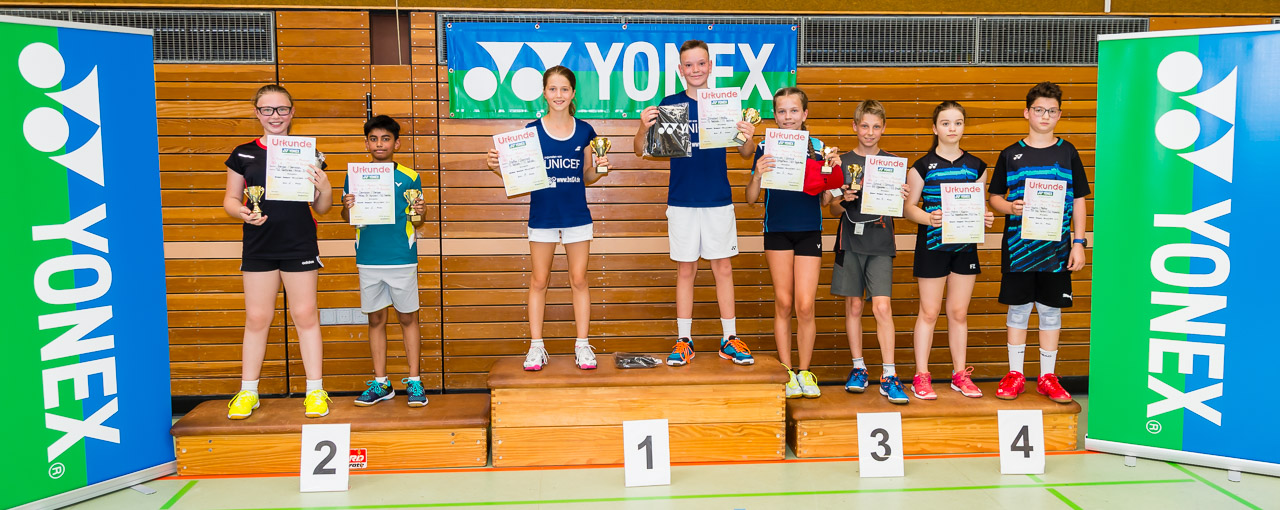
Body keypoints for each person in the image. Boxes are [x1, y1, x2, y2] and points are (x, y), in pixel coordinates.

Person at [633, 39, 757, 367]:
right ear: (680, 69)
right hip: (682, 199)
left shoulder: (724, 103)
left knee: (723, 268)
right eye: (689, 65)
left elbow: (745, 153)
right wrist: (642, 128)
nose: (696, 69)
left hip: (718, 198)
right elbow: (641, 150)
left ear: (710, 66)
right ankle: (684, 340)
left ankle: (729, 338)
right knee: (686, 269)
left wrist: (748, 135)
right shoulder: (670, 104)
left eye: (701, 63)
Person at [486, 66, 609, 371]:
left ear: (573, 93)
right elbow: (520, 179)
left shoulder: (586, 131)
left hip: (576, 216)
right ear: (544, 93)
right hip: (542, 216)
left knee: (579, 280)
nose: (558, 95)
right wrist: (498, 169)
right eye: (553, 89)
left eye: (564, 89)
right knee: (539, 280)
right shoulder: (530, 131)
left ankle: (582, 345)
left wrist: (600, 169)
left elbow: (587, 176)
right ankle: (536, 346)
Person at [221, 84, 333, 419]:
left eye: (282, 109)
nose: (275, 116)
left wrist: (325, 187)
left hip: (299, 243)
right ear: (257, 113)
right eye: (267, 109)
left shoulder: (310, 153)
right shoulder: (242, 154)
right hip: (259, 244)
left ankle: (315, 391)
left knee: (306, 314)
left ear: (292, 112)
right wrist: (242, 212)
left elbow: (322, 208)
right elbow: (230, 199)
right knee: (257, 318)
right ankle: (248, 391)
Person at [988, 82, 1090, 404]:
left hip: (1056, 251)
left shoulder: (1068, 152)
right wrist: (1010, 207)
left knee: (1050, 310)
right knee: (1018, 309)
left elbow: (1079, 200)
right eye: (1039, 110)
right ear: (1027, 112)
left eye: (1051, 110)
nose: (1045, 115)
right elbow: (994, 197)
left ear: (1059, 115)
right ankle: (1015, 374)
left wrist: (1078, 242)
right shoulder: (1010, 154)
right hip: (1018, 249)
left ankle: (1047, 377)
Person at [746, 87, 838, 398]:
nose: (788, 117)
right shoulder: (765, 146)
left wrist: (832, 174)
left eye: (794, 110)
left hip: (809, 231)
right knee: (784, 303)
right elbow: (750, 198)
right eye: (782, 111)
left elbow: (826, 199)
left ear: (805, 114)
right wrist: (757, 175)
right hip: (777, 232)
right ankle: (787, 371)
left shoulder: (819, 148)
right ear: (775, 115)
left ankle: (805, 372)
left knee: (805, 305)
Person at [903, 101, 996, 400]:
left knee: (958, 312)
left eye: (957, 123)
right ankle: (921, 375)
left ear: (963, 127)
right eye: (945, 123)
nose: (952, 128)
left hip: (964, 247)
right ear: (935, 128)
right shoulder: (921, 167)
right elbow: (908, 208)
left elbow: (979, 207)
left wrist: (985, 218)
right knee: (929, 312)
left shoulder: (977, 166)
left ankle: (959, 375)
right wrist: (928, 218)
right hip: (932, 246)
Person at [825, 99, 911, 404]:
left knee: (882, 308)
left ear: (883, 128)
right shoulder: (841, 162)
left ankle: (889, 374)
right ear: (855, 126)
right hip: (849, 242)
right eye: (864, 126)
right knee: (854, 307)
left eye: (876, 126)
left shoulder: (894, 164)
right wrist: (844, 199)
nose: (870, 132)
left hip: (880, 243)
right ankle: (859, 368)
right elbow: (831, 207)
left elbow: (903, 208)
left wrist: (903, 197)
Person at [340, 115, 428, 407]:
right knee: (376, 319)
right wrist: (347, 207)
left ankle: (414, 380)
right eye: (374, 139)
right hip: (369, 258)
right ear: (366, 143)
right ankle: (381, 383)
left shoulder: (410, 176)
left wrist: (420, 211)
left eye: (386, 139)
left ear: (396, 143)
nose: (379, 144)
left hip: (401, 257)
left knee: (408, 318)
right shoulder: (354, 175)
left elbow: (417, 220)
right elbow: (347, 217)